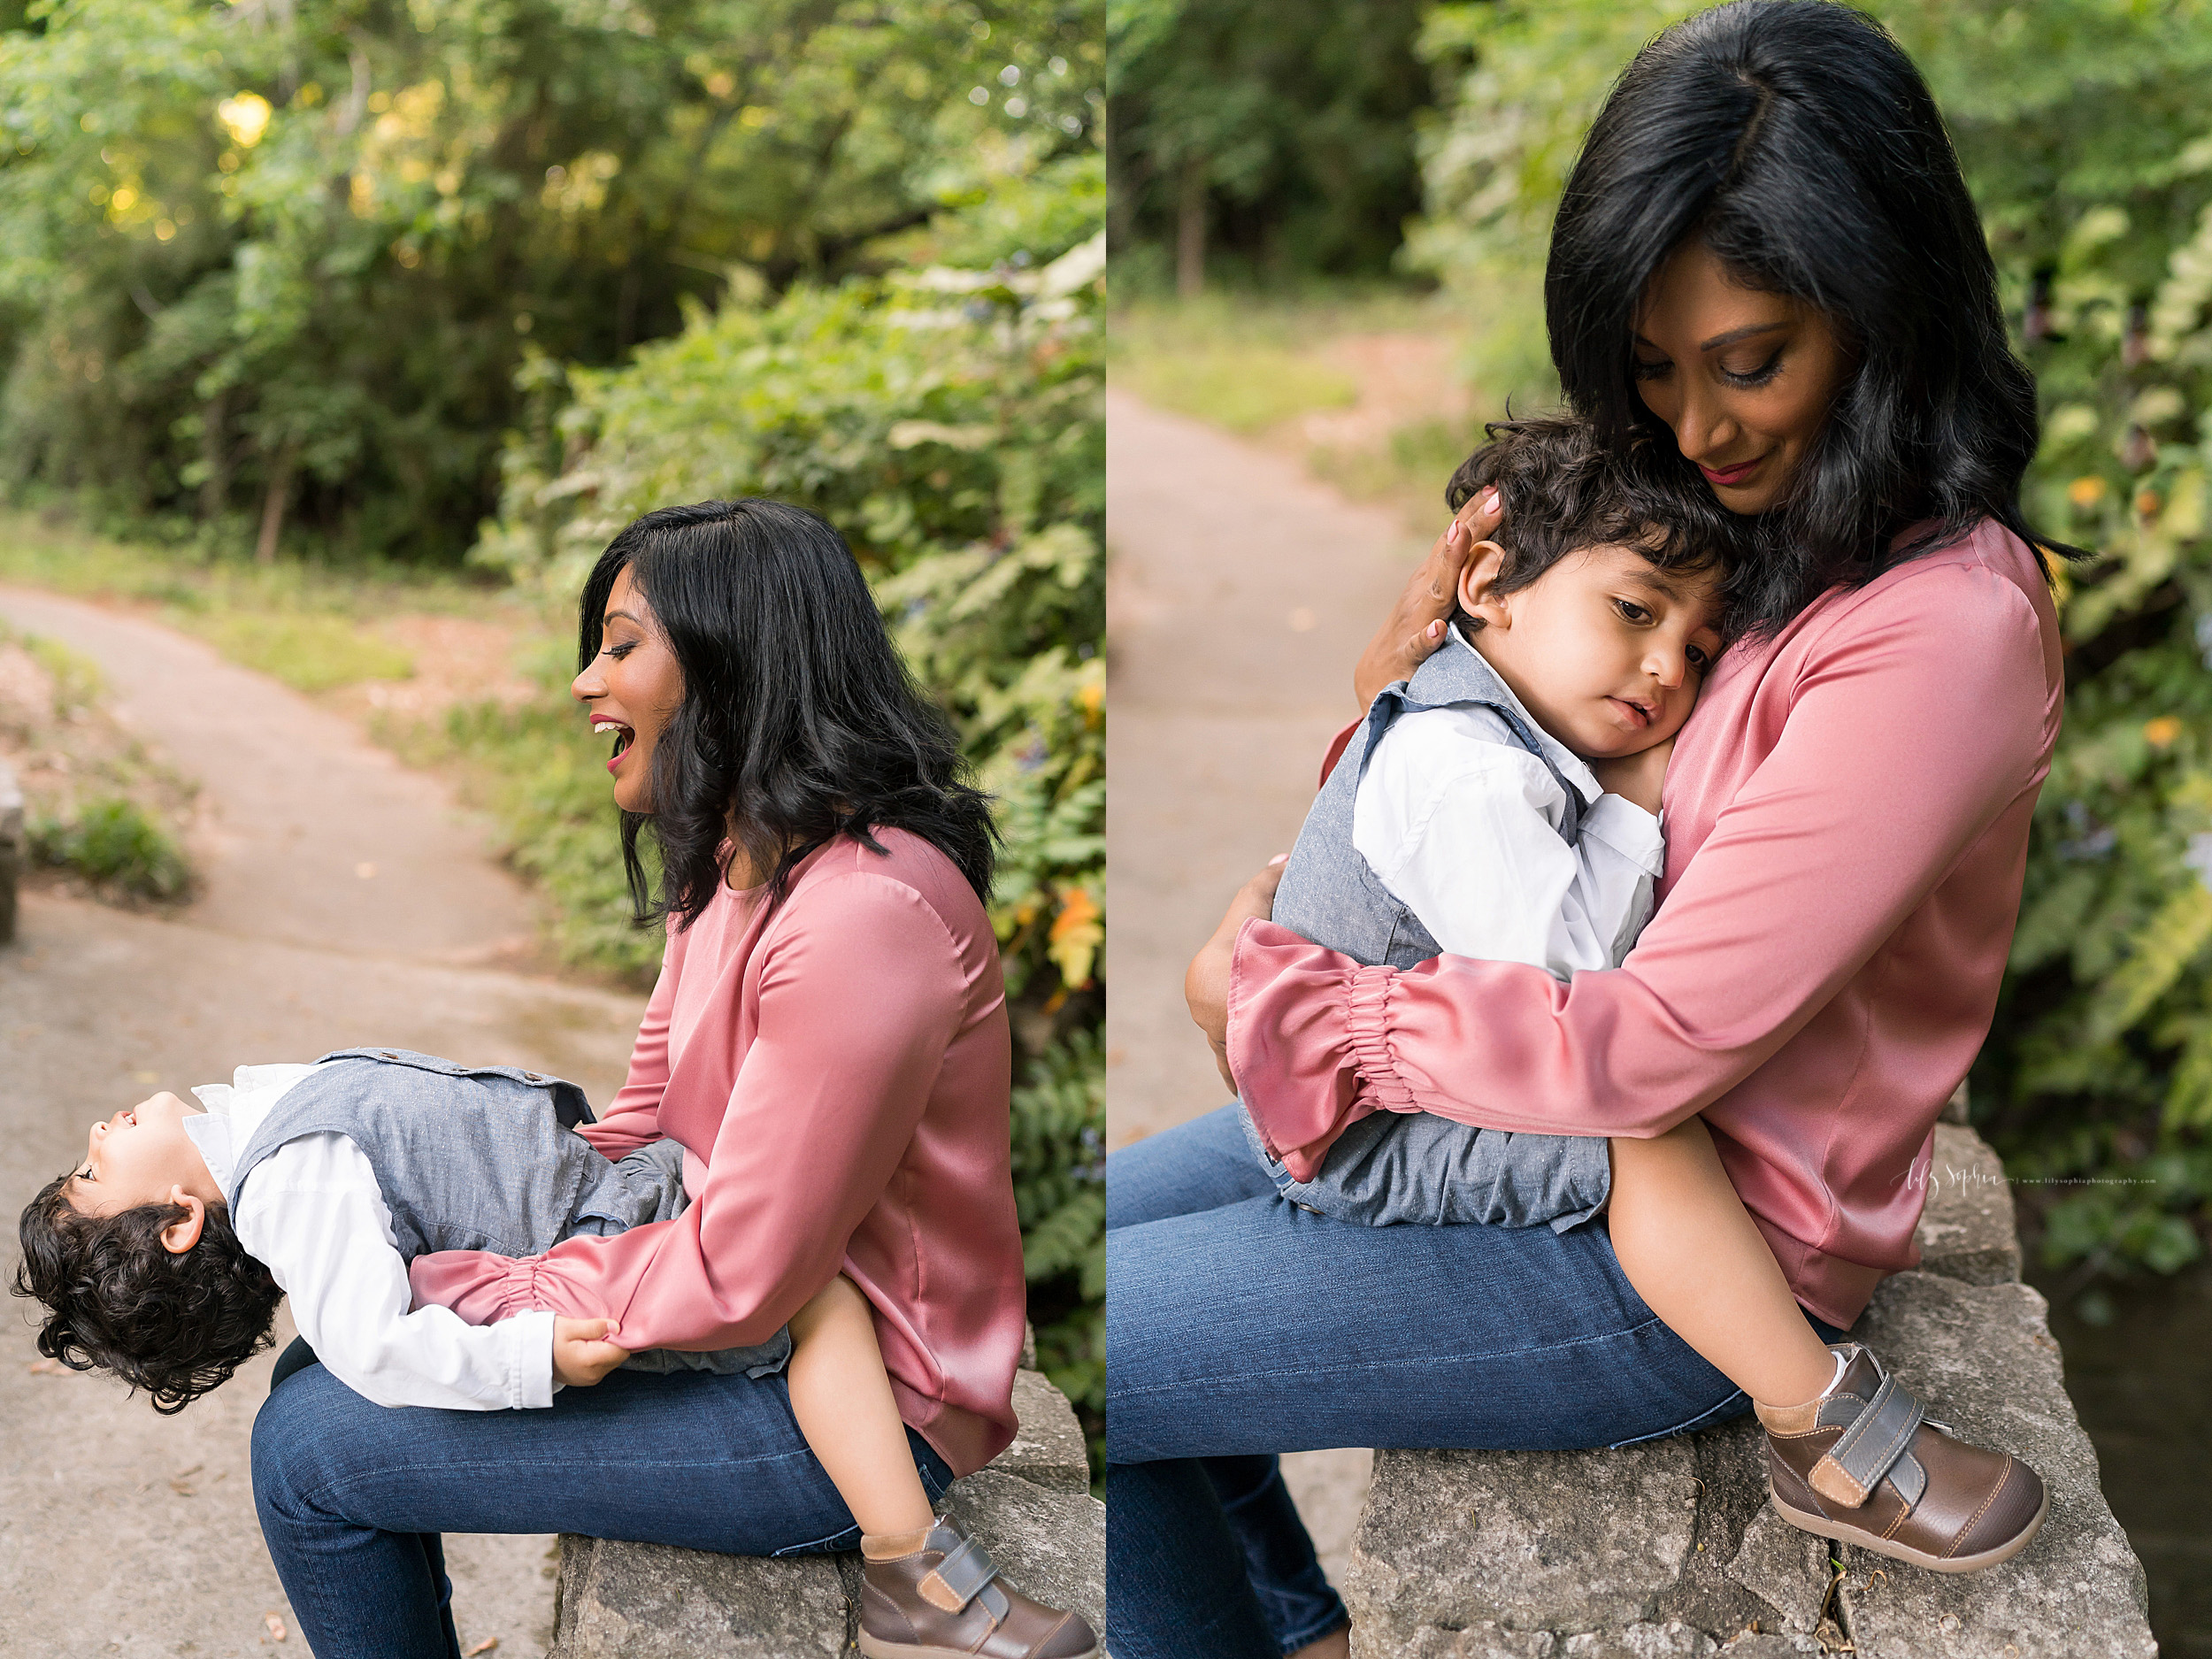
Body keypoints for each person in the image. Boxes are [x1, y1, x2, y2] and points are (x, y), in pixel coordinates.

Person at [1109, 4, 2068, 1655]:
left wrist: (1300, 1010)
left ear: (1883, 312)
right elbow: (1479, 771)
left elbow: (1653, 1045)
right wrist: (1394, 685)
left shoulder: (1939, 634)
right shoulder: (1738, 522)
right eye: (1650, 368)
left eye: (1752, 361)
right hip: (1511, 1118)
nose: (1697, 428)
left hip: (1674, 1244)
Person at [227, 499, 1093, 1659]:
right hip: (773, 1325)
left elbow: (743, 1268)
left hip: (856, 1402)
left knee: (308, 1453)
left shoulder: (861, 916)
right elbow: (645, 1115)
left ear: (738, 663)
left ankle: (912, 1578)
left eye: (623, 644)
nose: (587, 679)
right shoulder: (739, 854)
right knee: (318, 1364)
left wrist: (509, 1290)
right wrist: (468, 1182)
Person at [1241, 410, 2044, 1570]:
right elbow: (1582, 1003)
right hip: (1375, 1128)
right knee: (1643, 1134)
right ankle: (1815, 1421)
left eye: (1701, 647)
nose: (1668, 667)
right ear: (1485, 581)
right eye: (1634, 611)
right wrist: (1634, 793)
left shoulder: (1502, 717)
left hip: (1410, 1076)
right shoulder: (1464, 767)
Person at [12, 1051, 787, 1417]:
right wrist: (527, 1358)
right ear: (179, 1220)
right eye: (92, 1170)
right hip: (622, 1247)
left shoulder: (259, 1132)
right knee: (798, 1275)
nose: (96, 1132)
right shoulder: (287, 1181)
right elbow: (368, 1343)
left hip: (618, 1184)